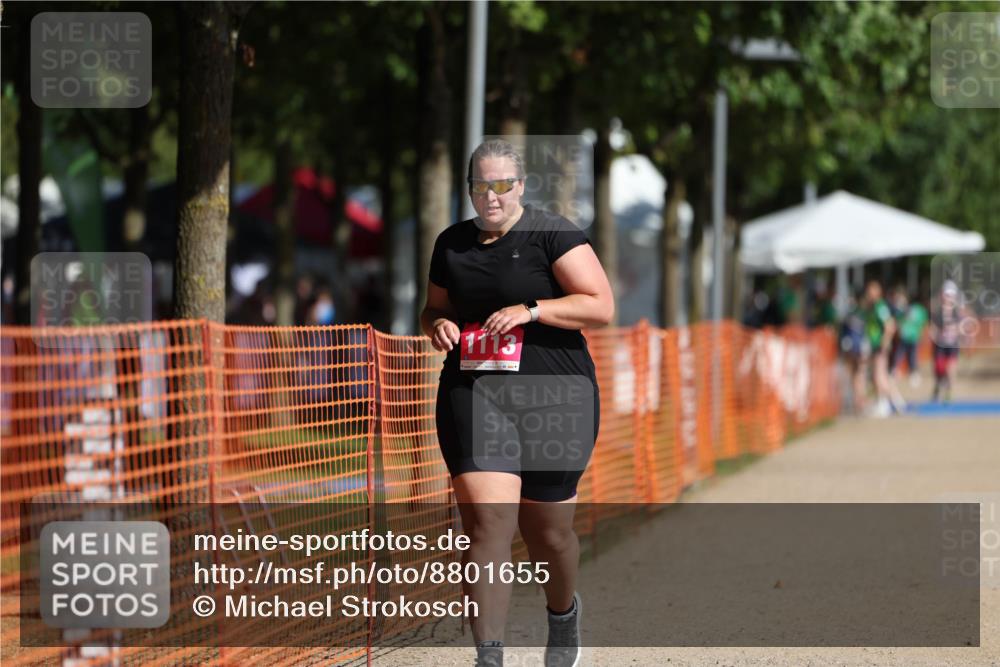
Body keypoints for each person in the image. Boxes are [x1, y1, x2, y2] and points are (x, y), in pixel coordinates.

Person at [421, 139, 614, 667]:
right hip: (475, 393)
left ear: (521, 186)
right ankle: (490, 657)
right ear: (469, 189)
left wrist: (531, 310)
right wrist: (437, 324)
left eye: (503, 185)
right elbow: (433, 307)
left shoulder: (553, 234)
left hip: (556, 396)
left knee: (548, 532)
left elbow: (600, 306)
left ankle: (563, 615)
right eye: (481, 186)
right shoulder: (452, 244)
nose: (492, 196)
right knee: (488, 525)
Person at [861, 279, 904, 416]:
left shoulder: (880, 307)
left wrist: (884, 343)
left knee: (879, 375)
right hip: (875, 345)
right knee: (881, 375)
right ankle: (894, 401)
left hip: (880, 345)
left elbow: (889, 325)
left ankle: (886, 402)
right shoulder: (872, 307)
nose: (869, 294)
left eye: (871, 291)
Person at [930, 280, 962, 403]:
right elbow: (932, 328)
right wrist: (935, 334)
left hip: (952, 345)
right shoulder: (937, 312)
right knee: (939, 369)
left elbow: (960, 327)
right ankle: (938, 386)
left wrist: (955, 331)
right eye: (946, 295)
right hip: (940, 345)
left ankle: (949, 393)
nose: (948, 298)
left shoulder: (956, 312)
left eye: (950, 295)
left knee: (951, 369)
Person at [890, 287, 928, 388]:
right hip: (904, 336)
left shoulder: (917, 309)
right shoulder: (900, 309)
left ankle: (913, 373)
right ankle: (896, 370)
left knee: (912, 356)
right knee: (900, 354)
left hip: (913, 337)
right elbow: (898, 321)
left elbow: (922, 323)